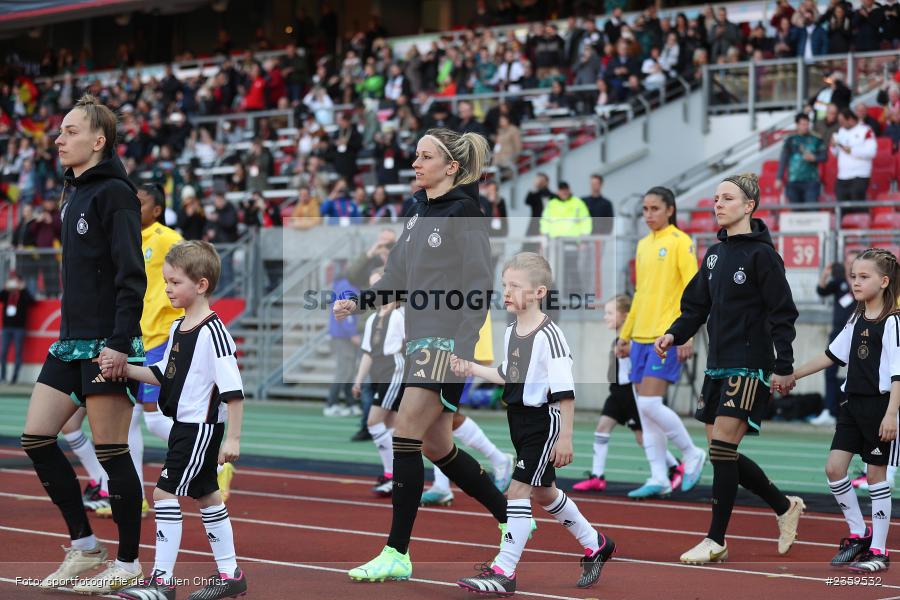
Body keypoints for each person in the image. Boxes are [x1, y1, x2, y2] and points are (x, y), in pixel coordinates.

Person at [334, 128, 509, 582]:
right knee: (437, 445)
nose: (415, 163)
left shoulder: (465, 213)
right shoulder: (415, 213)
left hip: (446, 342)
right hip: (418, 339)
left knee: (404, 434)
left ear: (450, 167)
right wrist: (359, 301)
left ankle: (397, 551)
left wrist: (464, 348)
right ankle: (513, 517)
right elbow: (395, 279)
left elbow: (478, 286)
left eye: (424, 156)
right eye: (416, 155)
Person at [21, 94, 147, 593]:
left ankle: (130, 561)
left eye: (70, 131)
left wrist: (119, 343)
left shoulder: (115, 193)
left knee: (113, 452)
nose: (59, 139)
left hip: (106, 345)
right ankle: (84, 546)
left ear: (99, 140)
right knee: (35, 437)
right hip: (69, 342)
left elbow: (131, 277)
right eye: (60, 131)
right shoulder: (73, 191)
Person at [656, 173, 805, 565]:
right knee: (722, 453)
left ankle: (715, 540)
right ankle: (783, 505)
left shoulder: (762, 256)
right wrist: (674, 335)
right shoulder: (715, 255)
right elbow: (695, 307)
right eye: (716, 198)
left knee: (722, 447)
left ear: (749, 206)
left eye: (727, 198)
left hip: (750, 365)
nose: (717, 204)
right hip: (717, 365)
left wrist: (784, 365)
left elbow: (782, 314)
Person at [452, 253, 615, 595]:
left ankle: (504, 571)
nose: (506, 292)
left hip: (544, 422)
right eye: (504, 285)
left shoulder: (550, 336)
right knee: (543, 492)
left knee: (518, 491)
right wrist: (470, 367)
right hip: (519, 421)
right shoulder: (512, 331)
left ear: (539, 292)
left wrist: (566, 438)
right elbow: (505, 374)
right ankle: (596, 543)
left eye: (515, 286)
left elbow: (566, 393)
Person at [113, 241, 248, 600]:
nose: (168, 289)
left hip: (199, 429)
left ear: (201, 285)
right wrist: (125, 368)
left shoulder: (214, 333)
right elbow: (163, 374)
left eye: (174, 282)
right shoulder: (178, 328)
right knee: (207, 497)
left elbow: (234, 391)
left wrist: (232, 438)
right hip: (185, 427)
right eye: (167, 282)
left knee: (163, 495)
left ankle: (162, 583)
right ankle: (230, 573)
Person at [792, 247, 900, 573]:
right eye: (853, 276)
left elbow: (898, 373)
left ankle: (879, 552)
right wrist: (792, 375)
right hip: (851, 404)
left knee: (877, 477)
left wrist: (892, 414)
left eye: (864, 277)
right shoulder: (856, 316)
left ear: (884, 281)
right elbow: (831, 355)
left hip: (881, 407)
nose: (855, 282)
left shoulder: (893, 322)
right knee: (834, 469)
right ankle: (859, 533)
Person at [616, 186, 707, 499]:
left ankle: (691, 452)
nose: (648, 215)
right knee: (646, 413)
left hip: (665, 336)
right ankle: (659, 475)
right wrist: (625, 334)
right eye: (645, 209)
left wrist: (686, 335)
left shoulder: (681, 243)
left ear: (670, 209)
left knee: (649, 404)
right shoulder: (643, 245)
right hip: (640, 336)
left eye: (655, 208)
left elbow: (695, 293)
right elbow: (640, 294)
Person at [573, 295, 683, 493]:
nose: (605, 317)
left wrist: (628, 349)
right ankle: (597, 477)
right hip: (617, 392)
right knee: (602, 427)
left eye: (609, 313)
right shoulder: (619, 338)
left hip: (631, 392)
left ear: (625, 316)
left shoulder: (633, 338)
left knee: (642, 437)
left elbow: (638, 361)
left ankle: (675, 466)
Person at [353, 269, 405, 496]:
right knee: (393, 426)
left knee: (374, 422)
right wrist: (358, 380)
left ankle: (391, 474)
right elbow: (367, 353)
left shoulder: (401, 315)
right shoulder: (373, 318)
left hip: (395, 371)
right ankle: (399, 474)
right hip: (379, 373)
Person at [811, 249, 860, 427]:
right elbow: (821, 291)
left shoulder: (863, 283)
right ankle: (829, 411)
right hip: (839, 331)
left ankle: (856, 412)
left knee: (859, 371)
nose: (850, 265)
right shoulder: (839, 282)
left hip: (860, 332)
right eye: (848, 262)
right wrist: (825, 275)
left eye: (854, 261)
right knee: (830, 370)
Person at [776, 113, 827, 205]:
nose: (805, 127)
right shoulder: (790, 140)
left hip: (811, 181)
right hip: (793, 182)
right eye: (803, 124)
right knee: (796, 212)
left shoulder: (816, 140)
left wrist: (814, 158)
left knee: (811, 210)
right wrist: (779, 178)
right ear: (797, 125)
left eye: (807, 124)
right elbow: (784, 159)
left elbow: (824, 157)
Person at [833, 107, 877, 207]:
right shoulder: (841, 131)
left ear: (851, 119)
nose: (841, 124)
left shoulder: (866, 130)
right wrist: (833, 146)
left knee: (857, 205)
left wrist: (851, 151)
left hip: (860, 174)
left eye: (843, 121)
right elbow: (836, 153)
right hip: (842, 175)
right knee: (841, 206)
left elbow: (871, 152)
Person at [0, 271, 33, 384]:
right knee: (3, 352)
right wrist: (6, 287)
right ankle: (3, 377)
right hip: (6, 328)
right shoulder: (7, 294)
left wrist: (23, 288)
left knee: (18, 353)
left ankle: (14, 378)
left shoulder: (23, 294)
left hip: (19, 328)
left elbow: (31, 300)